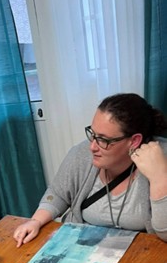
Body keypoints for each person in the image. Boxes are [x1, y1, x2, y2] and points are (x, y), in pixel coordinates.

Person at [14, 93, 167, 245]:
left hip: (141, 252)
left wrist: (160, 178)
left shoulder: (162, 159)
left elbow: (165, 233)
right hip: (84, 245)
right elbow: (58, 194)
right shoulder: (81, 154)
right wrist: (35, 221)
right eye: (93, 134)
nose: (92, 146)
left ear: (134, 141)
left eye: (103, 139)